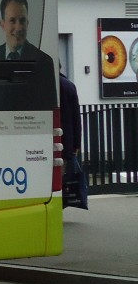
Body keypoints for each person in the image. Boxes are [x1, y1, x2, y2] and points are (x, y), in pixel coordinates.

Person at [0, 0, 56, 110]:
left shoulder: (43, 62)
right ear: (2, 24)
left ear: (28, 23)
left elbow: (50, 109)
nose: (18, 28)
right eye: (12, 21)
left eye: (22, 21)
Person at [60, 68, 88, 209]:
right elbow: (76, 118)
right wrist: (76, 144)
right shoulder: (68, 86)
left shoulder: (42, 84)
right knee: (60, 177)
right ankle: (58, 207)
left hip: (44, 142)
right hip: (65, 142)